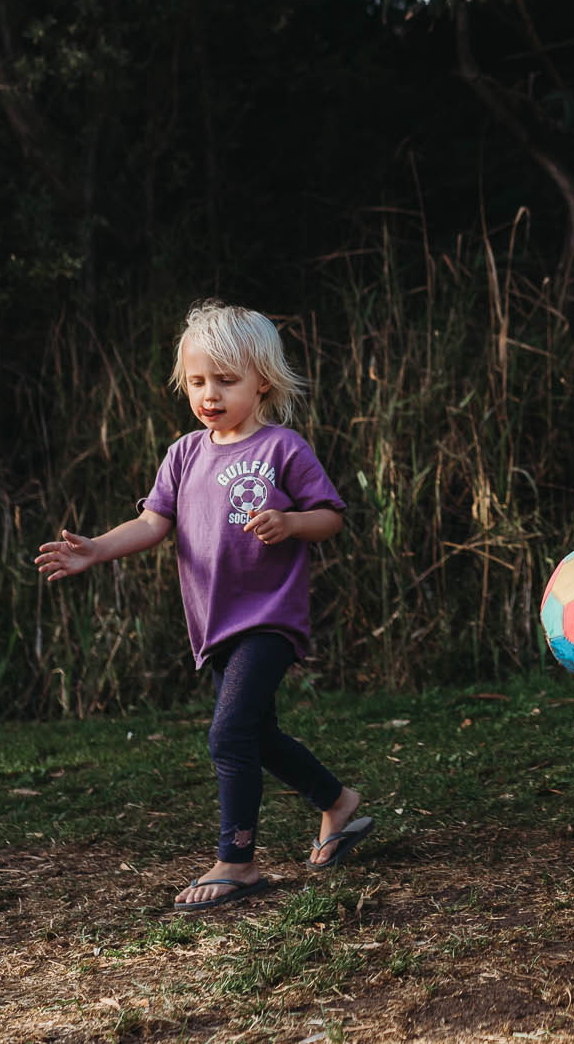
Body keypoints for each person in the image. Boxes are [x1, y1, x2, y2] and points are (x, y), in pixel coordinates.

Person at [35, 301, 371, 911]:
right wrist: (95, 551)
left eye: (225, 380)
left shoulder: (282, 449)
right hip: (215, 624)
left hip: (268, 618)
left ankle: (236, 861)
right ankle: (336, 802)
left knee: (228, 734)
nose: (209, 395)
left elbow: (330, 520)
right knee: (256, 734)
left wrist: (292, 521)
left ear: (261, 381)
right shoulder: (185, 454)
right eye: (197, 382)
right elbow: (151, 522)